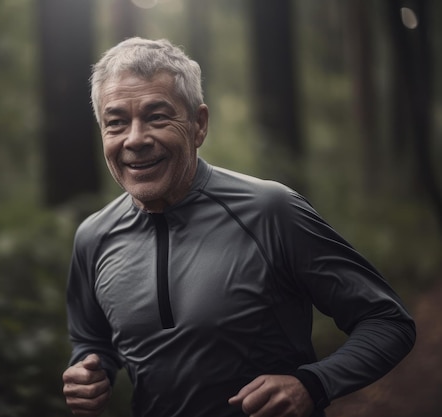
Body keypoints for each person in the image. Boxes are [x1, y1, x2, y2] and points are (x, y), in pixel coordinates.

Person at [61, 37, 416, 417]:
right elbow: (91, 337)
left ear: (198, 125)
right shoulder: (93, 237)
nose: (135, 139)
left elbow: (388, 322)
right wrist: (89, 370)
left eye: (157, 117)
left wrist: (312, 384)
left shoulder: (271, 212)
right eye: (116, 122)